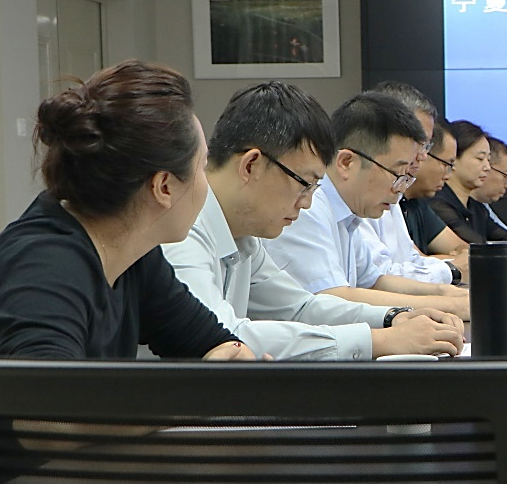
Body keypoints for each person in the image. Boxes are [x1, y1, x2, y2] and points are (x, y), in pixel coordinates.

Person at [162, 81, 464, 360]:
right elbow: (222, 334)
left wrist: (392, 318)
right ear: (251, 165)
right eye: (304, 184)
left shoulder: (244, 236)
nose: (306, 202)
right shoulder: (181, 229)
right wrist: (379, 340)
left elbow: (300, 307)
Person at [0, 60, 251, 360]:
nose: (206, 183)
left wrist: (230, 355)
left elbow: (212, 343)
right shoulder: (45, 274)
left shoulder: (133, 255)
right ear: (163, 186)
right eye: (202, 167)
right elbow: (48, 388)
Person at [264, 92, 470, 318]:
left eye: (406, 177)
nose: (400, 188)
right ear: (346, 162)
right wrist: (450, 306)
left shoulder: (349, 212)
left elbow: (374, 281)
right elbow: (332, 298)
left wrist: (445, 293)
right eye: (397, 174)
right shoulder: (307, 207)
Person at [364, 81, 466, 285]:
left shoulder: (393, 191)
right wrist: (452, 271)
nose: (422, 155)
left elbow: (410, 260)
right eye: (418, 143)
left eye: (426, 145)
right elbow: (377, 278)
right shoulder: (358, 194)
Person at [429, 121, 507, 263]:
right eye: (480, 159)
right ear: (453, 159)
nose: (487, 167)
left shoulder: (477, 208)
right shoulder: (436, 203)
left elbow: (506, 239)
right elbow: (478, 248)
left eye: (488, 160)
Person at [401, 120, 475, 258]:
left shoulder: (418, 204)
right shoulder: (386, 203)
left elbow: (461, 248)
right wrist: (452, 260)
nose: (447, 176)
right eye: (446, 164)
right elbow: (410, 262)